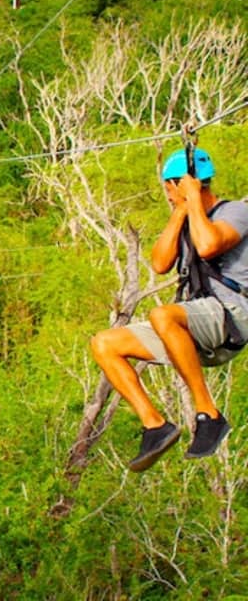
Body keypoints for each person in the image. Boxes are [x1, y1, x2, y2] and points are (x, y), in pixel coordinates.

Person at [91, 147, 248, 472]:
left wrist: (192, 201)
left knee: (163, 314)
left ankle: (209, 415)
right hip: (195, 325)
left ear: (184, 183)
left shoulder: (236, 212)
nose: (167, 196)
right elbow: (160, 262)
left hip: (234, 313)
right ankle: (155, 426)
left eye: (168, 188)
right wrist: (180, 212)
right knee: (104, 344)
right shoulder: (187, 219)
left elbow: (208, 246)